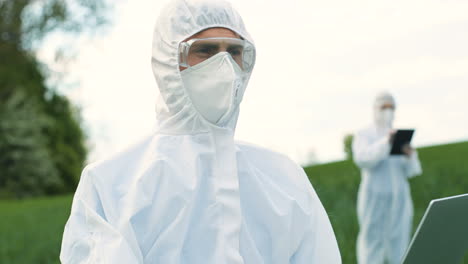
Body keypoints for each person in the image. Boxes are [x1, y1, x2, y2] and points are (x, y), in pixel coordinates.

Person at [59, 0, 341, 263]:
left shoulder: (284, 179)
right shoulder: (111, 185)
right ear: (168, 59)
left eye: (234, 52)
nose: (224, 65)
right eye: (204, 50)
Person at [352, 91, 422, 264]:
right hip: (375, 200)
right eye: (384, 107)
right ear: (375, 108)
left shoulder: (399, 135)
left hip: (400, 199)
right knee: (372, 242)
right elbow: (363, 159)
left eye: (391, 107)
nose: (388, 111)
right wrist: (385, 143)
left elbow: (411, 171)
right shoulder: (364, 134)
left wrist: (409, 155)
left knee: (400, 241)